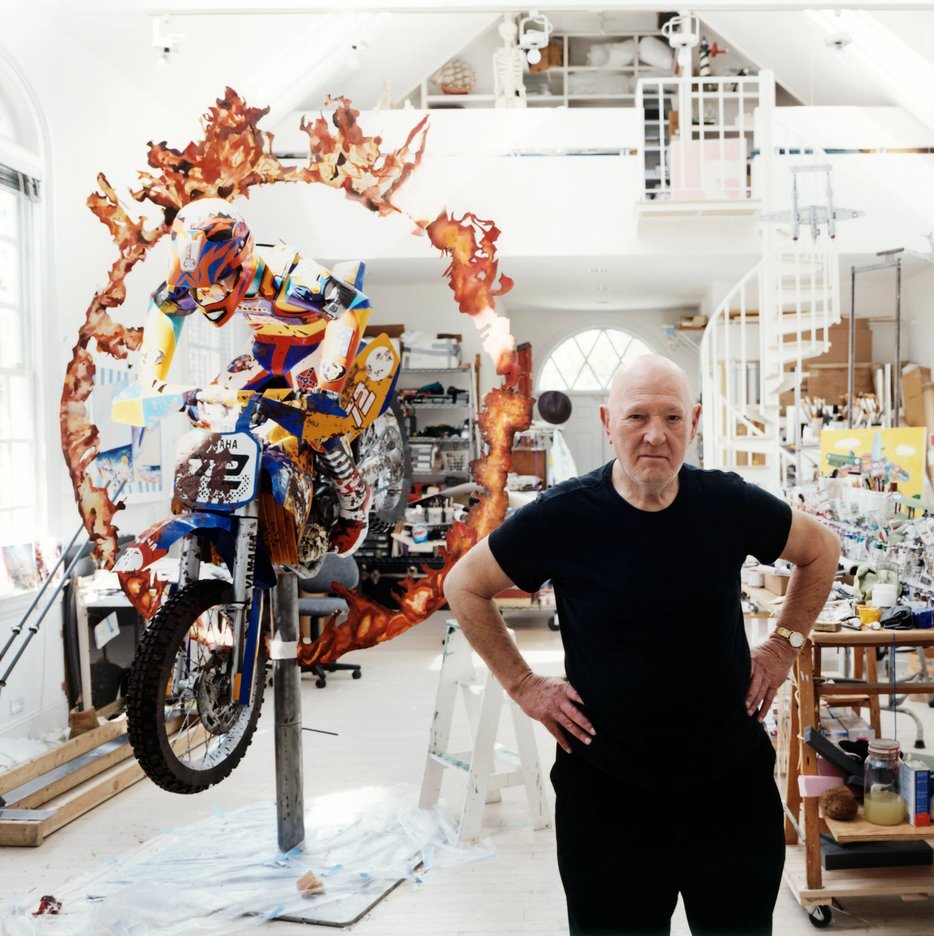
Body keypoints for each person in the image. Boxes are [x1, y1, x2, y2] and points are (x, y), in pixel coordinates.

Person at [444, 354, 840, 935]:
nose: (656, 434)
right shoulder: (563, 516)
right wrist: (524, 685)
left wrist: (782, 647)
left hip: (727, 790)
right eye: (637, 417)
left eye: (672, 418)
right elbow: (464, 585)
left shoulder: (728, 504)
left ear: (694, 423)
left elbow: (821, 550)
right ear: (607, 422)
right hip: (608, 796)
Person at [138, 197, 376, 555]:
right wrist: (151, 378)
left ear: (241, 262)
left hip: (310, 349)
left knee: (316, 427)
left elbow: (352, 306)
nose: (207, 296)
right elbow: (165, 307)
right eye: (200, 289)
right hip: (264, 351)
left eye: (216, 285)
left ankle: (353, 494)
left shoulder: (290, 275)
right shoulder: (198, 277)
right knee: (211, 416)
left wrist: (328, 385)